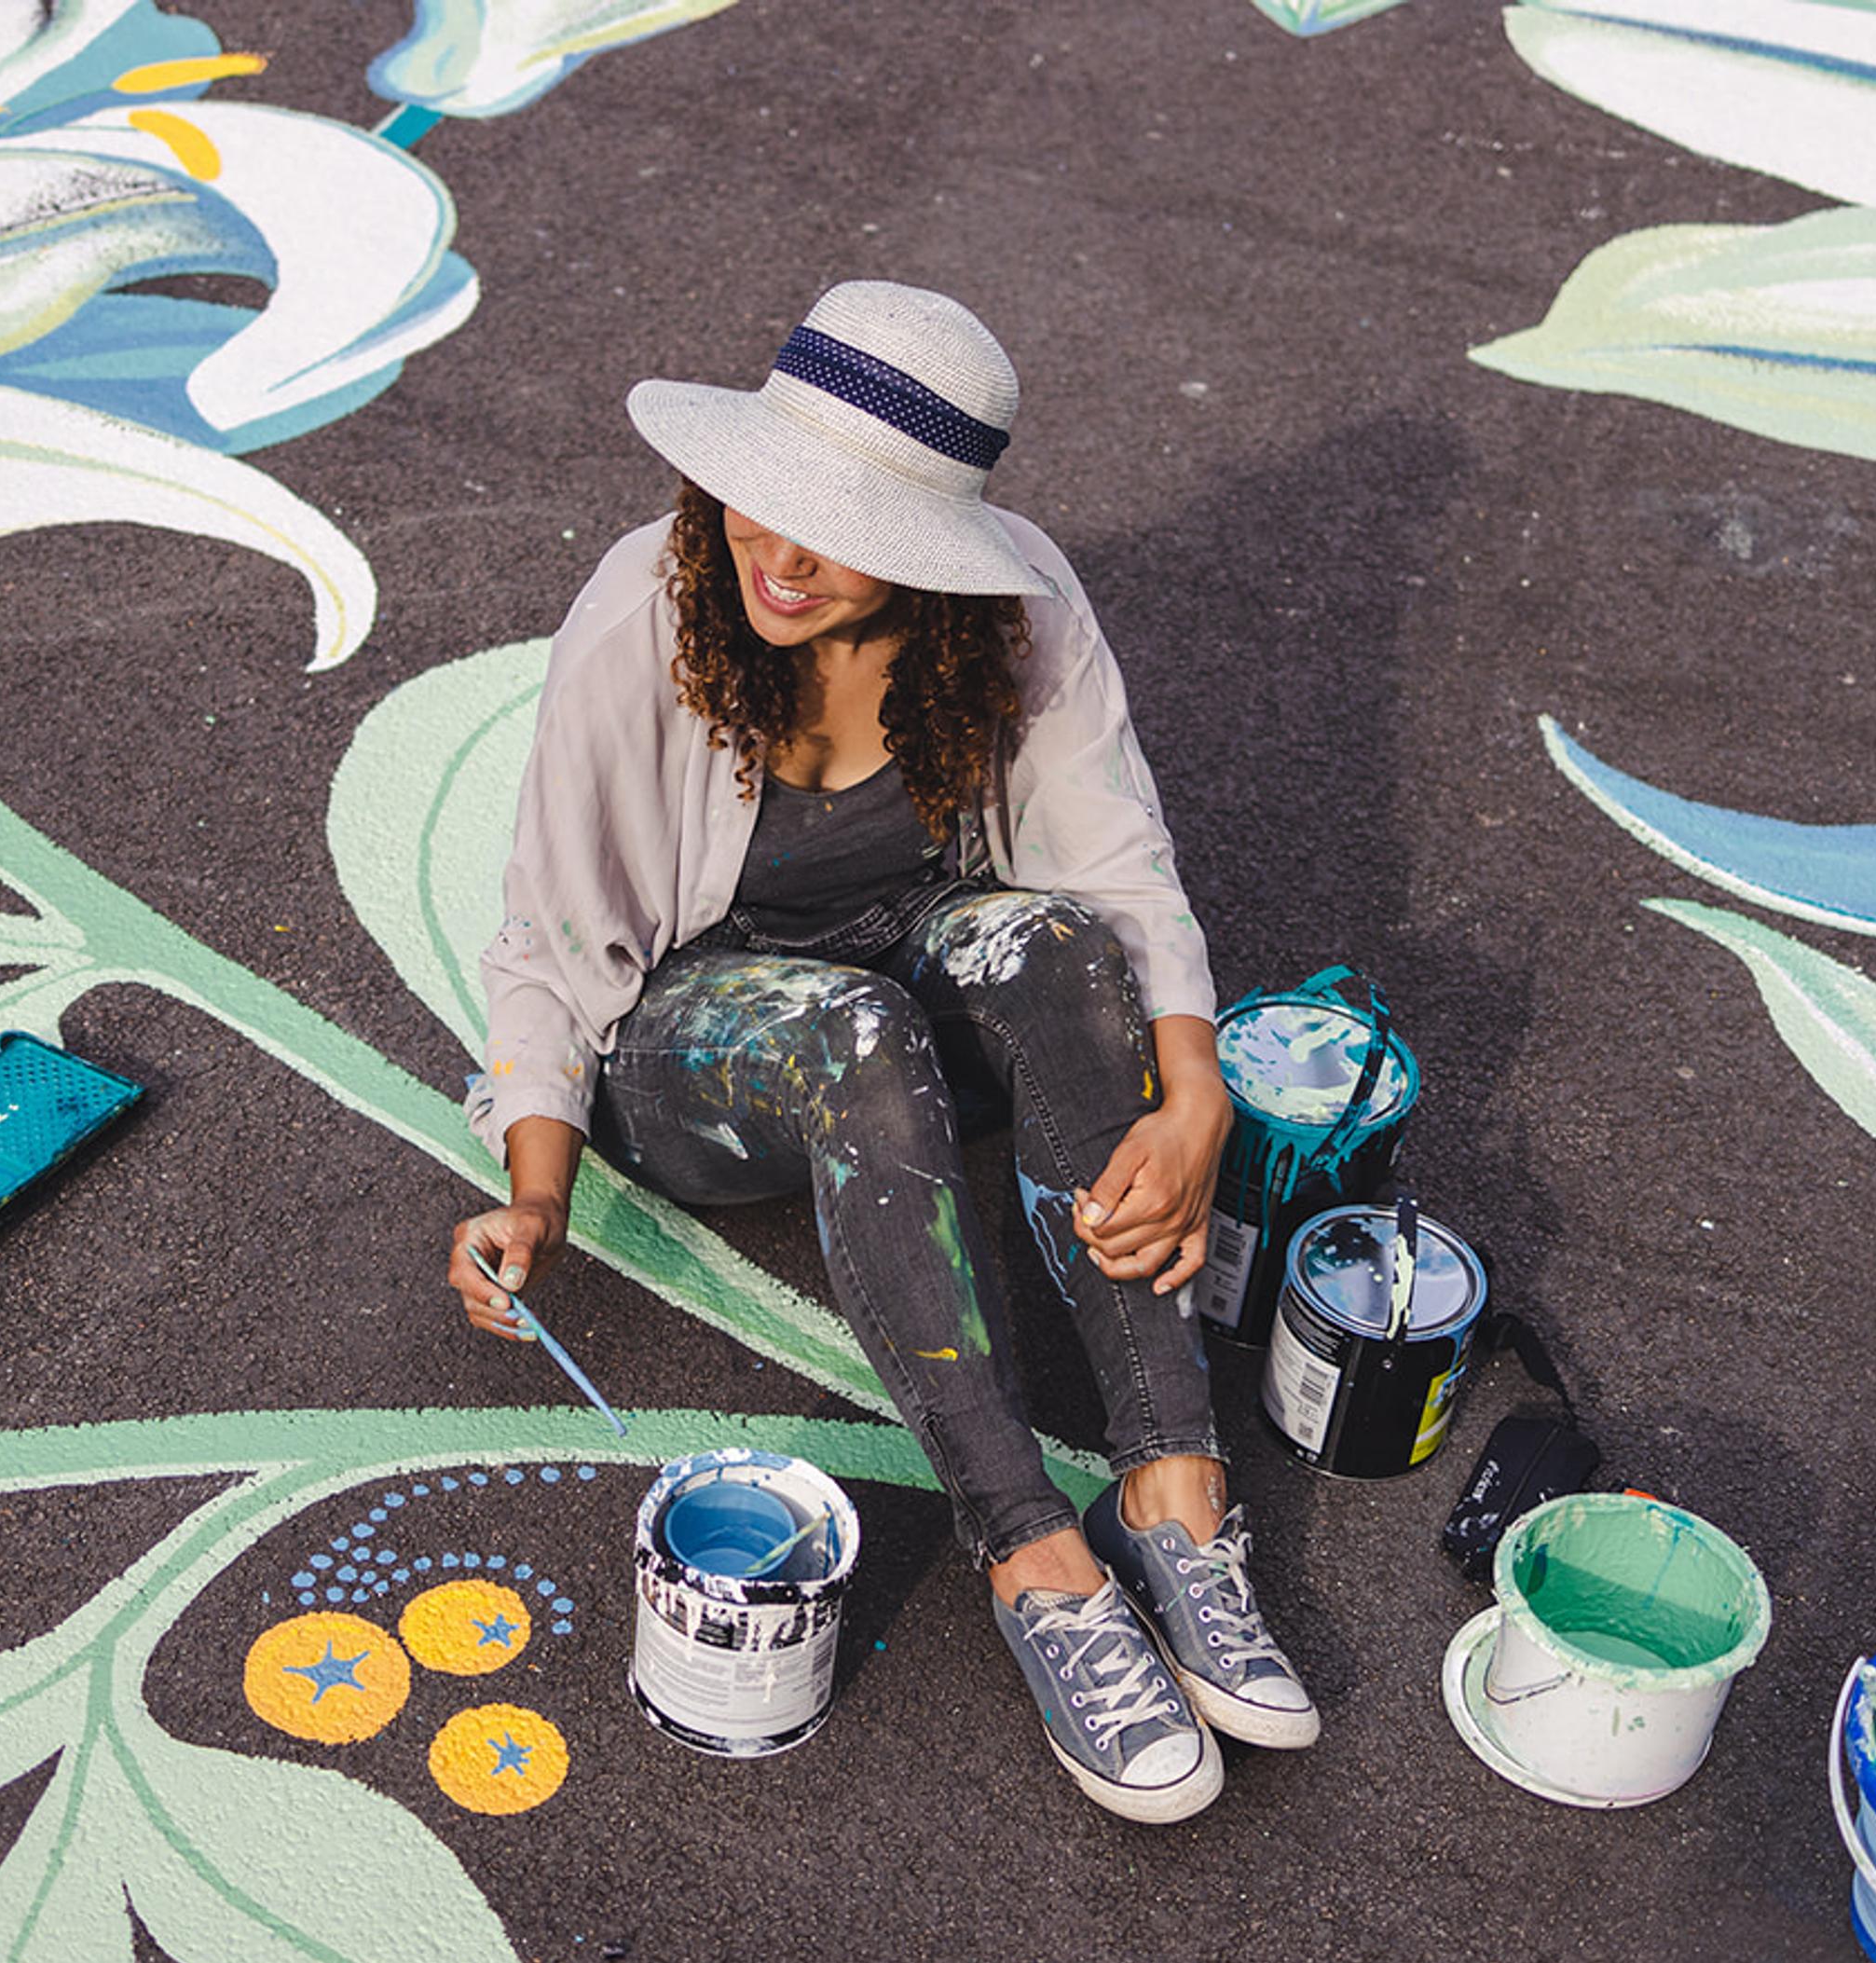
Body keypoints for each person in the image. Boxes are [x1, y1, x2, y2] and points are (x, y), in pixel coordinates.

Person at [445, 281, 1312, 1824]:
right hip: (698, 1038)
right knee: (862, 1033)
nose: (772, 554)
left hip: (923, 946)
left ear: (931, 557)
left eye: (833, 530)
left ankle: (1177, 1491)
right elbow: (552, 944)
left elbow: (1120, 864)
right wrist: (538, 1191)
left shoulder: (1017, 608)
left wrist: (1198, 1104)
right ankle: (1036, 1560)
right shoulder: (643, 613)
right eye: (758, 504)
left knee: (1052, 950)